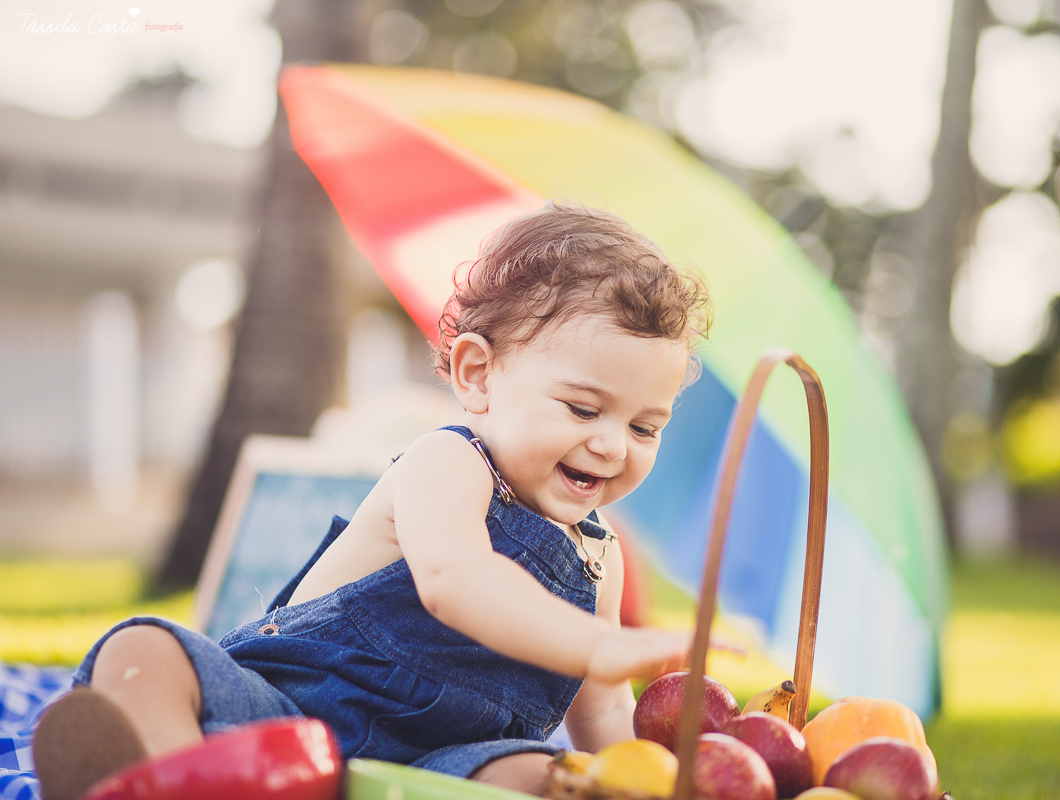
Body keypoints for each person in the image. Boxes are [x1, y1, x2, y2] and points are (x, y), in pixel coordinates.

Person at [32, 202, 713, 800]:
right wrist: (594, 643)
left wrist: (650, 775)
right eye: (583, 409)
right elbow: (456, 581)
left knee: (543, 775)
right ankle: (174, 772)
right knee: (147, 649)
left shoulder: (598, 558)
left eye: (644, 428)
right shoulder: (449, 463)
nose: (612, 446)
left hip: (437, 766)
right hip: (286, 721)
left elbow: (601, 717)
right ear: (479, 375)